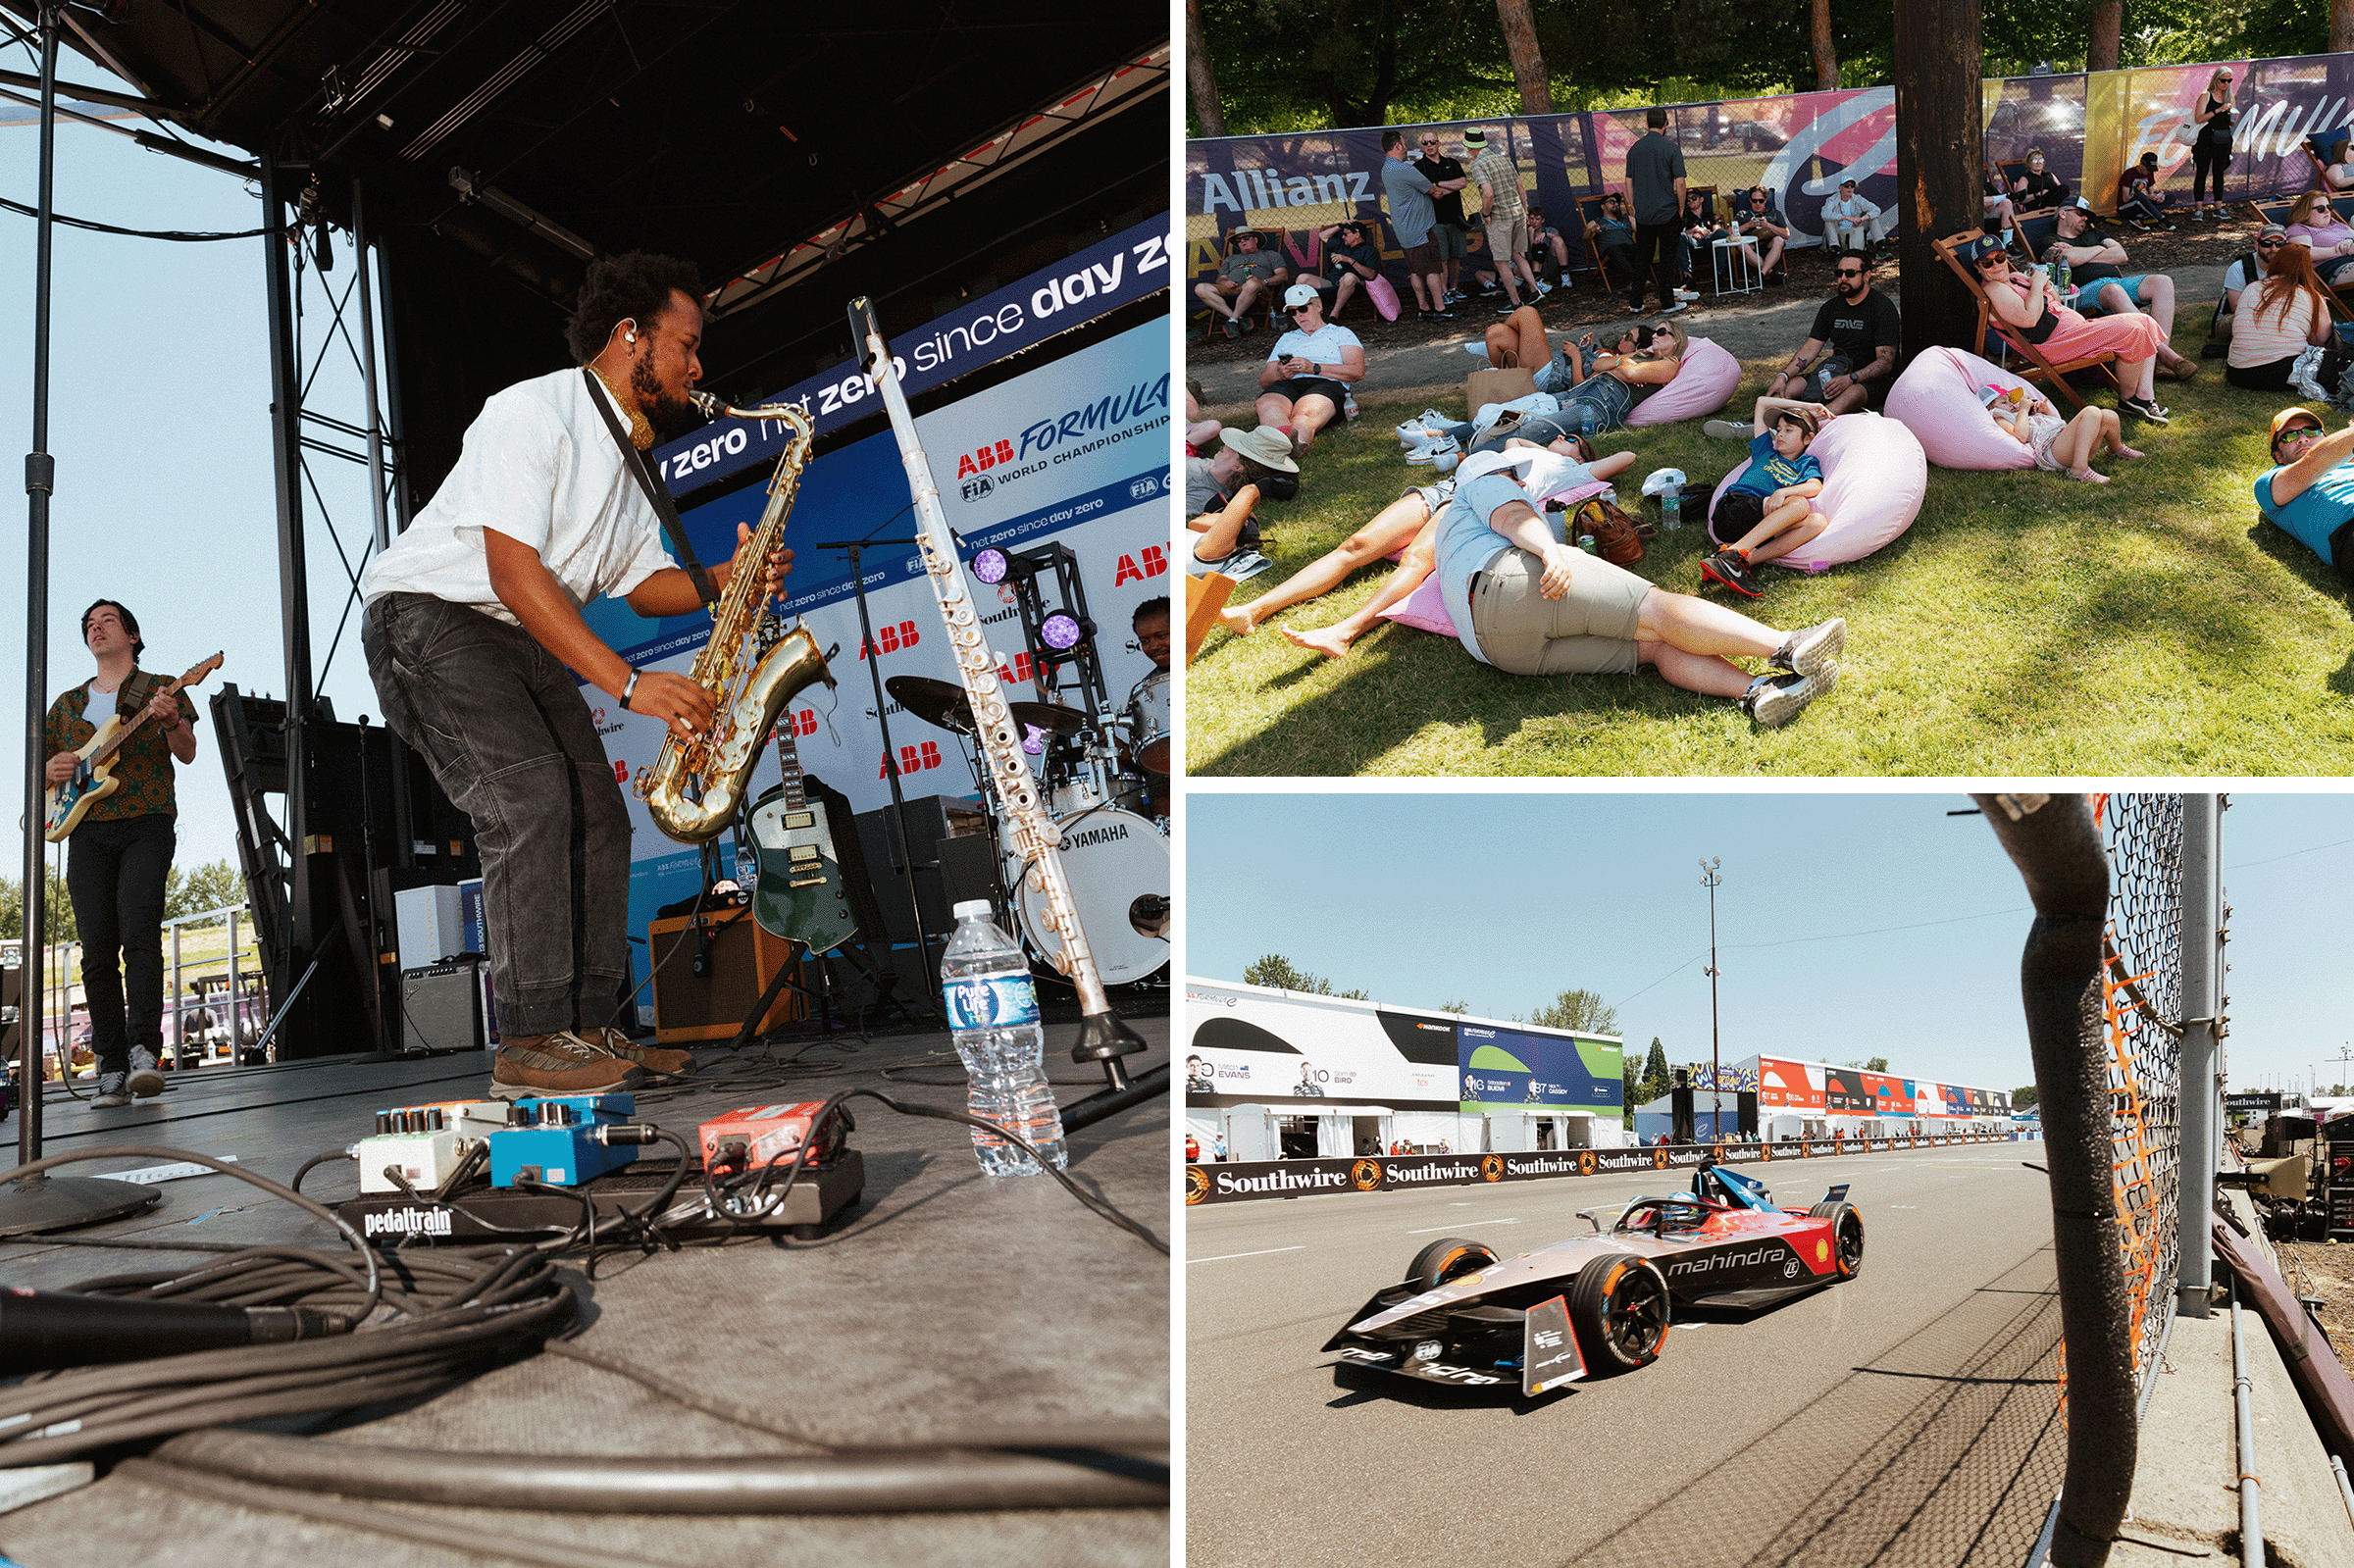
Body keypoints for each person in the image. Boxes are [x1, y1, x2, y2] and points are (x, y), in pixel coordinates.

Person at [361, 250, 788, 1098]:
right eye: (685, 345)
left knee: (600, 814)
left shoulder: (631, 466)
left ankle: (588, 1033)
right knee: (531, 801)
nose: (698, 368)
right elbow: (516, 573)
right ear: (629, 336)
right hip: (430, 616)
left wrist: (719, 581)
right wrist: (630, 686)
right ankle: (528, 1042)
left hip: (514, 631)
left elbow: (640, 583)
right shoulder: (533, 411)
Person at [1429, 444, 1848, 726]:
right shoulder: (1483, 482)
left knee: (1656, 646)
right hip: (1514, 582)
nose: (1520, 484)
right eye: (1514, 477)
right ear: (1493, 473)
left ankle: (1758, 691)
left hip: (1495, 650)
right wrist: (1550, 551)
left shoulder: (1447, 530)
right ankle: (1786, 646)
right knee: (1658, 610)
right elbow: (1511, 518)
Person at [45, 600, 198, 1108]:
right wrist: (53, 770)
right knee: (96, 947)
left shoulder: (160, 687)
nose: (96, 627)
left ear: (132, 635)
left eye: (107, 620)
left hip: (146, 820)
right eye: (89, 623)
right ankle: (109, 1066)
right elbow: (38, 771)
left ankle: (143, 1055)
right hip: (87, 828)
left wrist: (173, 718)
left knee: (138, 931)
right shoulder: (65, 706)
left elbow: (187, 750)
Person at [1971, 234, 2172, 423]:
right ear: (1978, 267)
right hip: (2058, 344)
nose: (1996, 265)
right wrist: (2037, 284)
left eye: (1999, 257)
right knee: (2132, 331)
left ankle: (2144, 395)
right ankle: (2128, 398)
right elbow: (2030, 319)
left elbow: (2056, 301)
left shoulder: (2015, 277)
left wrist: (2047, 287)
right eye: (1987, 263)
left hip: (2075, 332)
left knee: (2144, 321)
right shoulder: (1994, 290)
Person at [2043, 199, 2200, 381]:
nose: (2085, 218)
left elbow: (2121, 255)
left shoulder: (2096, 233)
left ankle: (2155, 362)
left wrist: (2081, 252)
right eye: (2080, 213)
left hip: (2118, 282)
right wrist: (2100, 251)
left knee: (2162, 282)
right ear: (2063, 214)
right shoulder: (2049, 240)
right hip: (2084, 291)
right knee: (2113, 290)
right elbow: (2066, 260)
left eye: (2087, 215)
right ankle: (2167, 356)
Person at [1731, 252, 1899, 421]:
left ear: (1867, 276)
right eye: (1838, 273)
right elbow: (1811, 348)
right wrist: (1783, 376)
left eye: (1850, 273)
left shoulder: (1882, 308)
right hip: (1836, 371)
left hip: (1872, 380)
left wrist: (1851, 378)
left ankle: (1809, 425)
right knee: (1789, 387)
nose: (1843, 278)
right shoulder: (1831, 308)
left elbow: (1885, 363)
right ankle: (1758, 423)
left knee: (1852, 393)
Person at [1698, 399, 1829, 597]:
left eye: (1789, 430)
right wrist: (1808, 407)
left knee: (1817, 522)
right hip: (1733, 508)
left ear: (1808, 438)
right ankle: (1729, 556)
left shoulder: (1806, 463)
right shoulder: (1766, 450)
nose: (1780, 434)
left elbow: (1815, 486)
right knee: (1800, 504)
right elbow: (1761, 402)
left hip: (1759, 524)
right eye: (1779, 429)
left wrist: (1783, 492)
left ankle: (1742, 561)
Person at [1255, 283, 1363, 453]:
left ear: (1318, 306)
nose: (1298, 315)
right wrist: (1280, 374)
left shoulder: (1340, 333)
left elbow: (1357, 371)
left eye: (1303, 308)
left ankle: (1288, 450)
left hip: (1326, 383)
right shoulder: (1287, 338)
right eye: (1292, 312)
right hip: (1289, 383)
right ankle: (1281, 447)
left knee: (1304, 414)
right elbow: (1264, 381)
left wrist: (1314, 368)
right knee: (1267, 404)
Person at [2254, 406, 2354, 580]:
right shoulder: (2269, 482)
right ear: (2279, 456)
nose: (2302, 439)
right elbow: (2315, 462)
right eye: (2289, 436)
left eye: (2311, 431)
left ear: (2326, 437)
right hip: (2347, 532)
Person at [1380, 128, 1467, 321]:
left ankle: (1424, 308)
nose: (1406, 148)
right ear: (1397, 146)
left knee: (1415, 272)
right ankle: (1440, 309)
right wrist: (1449, 187)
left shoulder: (1386, 169)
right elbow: (1434, 191)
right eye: (1404, 144)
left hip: (1404, 231)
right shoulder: (1406, 169)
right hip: (1421, 230)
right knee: (1433, 270)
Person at [1186, 425, 1295, 577]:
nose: (1225, 445)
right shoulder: (1209, 464)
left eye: (1234, 448)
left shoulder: (1203, 495)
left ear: (1238, 466)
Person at [2226, 242, 2334, 391]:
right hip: (2281, 372)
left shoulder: (2251, 288)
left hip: (2237, 372)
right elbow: (2324, 341)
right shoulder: (2310, 296)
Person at [1985, 385, 2144, 483]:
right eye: (2004, 402)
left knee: (2108, 415)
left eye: (2010, 401)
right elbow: (2020, 436)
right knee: (2091, 412)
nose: (2011, 404)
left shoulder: (2020, 414)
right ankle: (2079, 469)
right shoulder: (1999, 416)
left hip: (2064, 444)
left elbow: (2056, 426)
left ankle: (2115, 449)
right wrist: (2023, 410)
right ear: (1991, 407)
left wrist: (2045, 412)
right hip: (2052, 453)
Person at [1465, 126, 1546, 312]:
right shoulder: (1503, 159)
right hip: (1517, 213)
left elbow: (1488, 193)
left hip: (1500, 218)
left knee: (1501, 262)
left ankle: (1516, 302)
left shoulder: (1478, 165)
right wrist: (1524, 212)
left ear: (1470, 147)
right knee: (1519, 255)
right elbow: (1521, 187)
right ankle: (1535, 290)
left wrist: (1486, 214)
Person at [1625, 107, 1688, 316]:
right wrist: (1680, 208)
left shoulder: (1635, 149)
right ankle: (1667, 303)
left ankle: (1635, 302)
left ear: (1647, 123)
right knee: (1668, 259)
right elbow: (1680, 183)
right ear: (1665, 124)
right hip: (1667, 212)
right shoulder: (1671, 148)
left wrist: (1634, 206)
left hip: (1644, 213)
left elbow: (1628, 181)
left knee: (1643, 257)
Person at [1411, 130, 1472, 305]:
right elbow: (1426, 191)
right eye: (1425, 143)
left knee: (1456, 256)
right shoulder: (1419, 168)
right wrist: (1446, 188)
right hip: (1434, 220)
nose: (1429, 146)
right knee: (1442, 258)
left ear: (1439, 144)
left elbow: (1462, 183)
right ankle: (1443, 292)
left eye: (1432, 142)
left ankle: (1453, 289)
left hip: (1456, 218)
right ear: (1422, 146)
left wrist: (1437, 185)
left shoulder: (1451, 163)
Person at [1195, 228, 1287, 338]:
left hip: (1258, 290)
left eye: (1246, 238)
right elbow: (1220, 279)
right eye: (1238, 240)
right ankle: (1236, 319)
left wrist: (1263, 281)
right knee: (1200, 288)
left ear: (1256, 240)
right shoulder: (1231, 259)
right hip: (1233, 289)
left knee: (1251, 283)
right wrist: (1225, 282)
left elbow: (1283, 275)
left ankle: (1233, 320)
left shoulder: (1270, 255)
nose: (1242, 241)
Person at [2214, 224, 2287, 344]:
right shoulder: (2238, 268)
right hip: (2236, 318)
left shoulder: (2288, 266)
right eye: (2267, 244)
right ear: (2256, 246)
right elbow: (2237, 309)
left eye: (2279, 244)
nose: (2274, 249)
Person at [2190, 69, 2236, 219]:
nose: (2226, 84)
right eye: (2223, 80)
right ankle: (2198, 208)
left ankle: (2218, 206)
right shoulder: (2206, 96)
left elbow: (2232, 123)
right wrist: (2218, 110)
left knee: (2219, 173)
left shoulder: (2230, 96)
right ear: (2216, 80)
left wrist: (2232, 116)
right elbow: (2199, 119)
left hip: (2222, 139)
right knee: (2202, 172)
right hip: (2205, 139)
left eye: (2230, 81)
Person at [2282, 189, 2354, 285]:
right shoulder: (2299, 228)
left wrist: (2349, 240)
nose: (2327, 211)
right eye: (2321, 208)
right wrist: (2342, 250)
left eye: (2329, 207)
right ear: (2305, 211)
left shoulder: (2336, 224)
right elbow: (2305, 253)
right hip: (2334, 267)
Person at [1317, 218, 1383, 320]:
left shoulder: (1369, 250)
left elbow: (1371, 275)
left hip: (1354, 285)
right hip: (1332, 283)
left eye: (1346, 234)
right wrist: (1340, 225)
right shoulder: (1340, 244)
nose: (1343, 237)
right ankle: (1310, 315)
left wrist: (1349, 260)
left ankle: (1334, 315)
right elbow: (1322, 235)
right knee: (1302, 278)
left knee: (1349, 277)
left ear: (1357, 235)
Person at [1676, 189, 1726, 297]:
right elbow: (1680, 235)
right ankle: (1688, 277)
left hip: (1709, 242)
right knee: (1680, 237)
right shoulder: (1685, 218)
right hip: (1693, 243)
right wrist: (1695, 230)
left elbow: (1717, 231)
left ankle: (1719, 275)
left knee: (1722, 233)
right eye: (1688, 199)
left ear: (1701, 199)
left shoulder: (1711, 216)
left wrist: (1704, 234)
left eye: (1694, 198)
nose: (1691, 201)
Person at [1734, 186, 1790, 281]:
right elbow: (1730, 233)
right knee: (1741, 245)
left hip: (1769, 243)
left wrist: (1768, 225)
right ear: (1750, 200)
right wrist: (1748, 225)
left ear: (1766, 200)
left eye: (1761, 200)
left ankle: (1760, 276)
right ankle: (1770, 272)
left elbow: (1786, 235)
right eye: (1754, 200)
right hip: (1751, 245)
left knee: (1779, 240)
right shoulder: (1742, 215)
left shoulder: (1774, 213)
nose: (1757, 204)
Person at [1585, 189, 1639, 289]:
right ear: (1602, 206)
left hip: (1629, 249)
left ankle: (1636, 282)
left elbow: (1642, 231)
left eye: (1617, 202)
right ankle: (1638, 281)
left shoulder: (1627, 219)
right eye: (1612, 202)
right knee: (1614, 249)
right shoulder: (1596, 222)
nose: (1616, 204)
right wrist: (1592, 231)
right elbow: (1585, 237)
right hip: (1610, 254)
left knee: (1641, 248)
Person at [1820, 177, 1883, 260]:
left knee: (1872, 218)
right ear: (1840, 188)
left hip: (1855, 228)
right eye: (1846, 186)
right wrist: (1846, 218)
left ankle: (1881, 248)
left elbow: (1876, 209)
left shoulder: (1857, 198)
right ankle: (1837, 251)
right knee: (1829, 222)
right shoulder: (1832, 200)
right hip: (1840, 232)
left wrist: (1861, 219)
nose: (1850, 188)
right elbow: (1824, 214)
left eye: (1852, 186)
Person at [2116, 152, 2175, 228]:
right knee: (2140, 196)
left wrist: (2157, 198)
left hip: (2143, 205)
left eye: (2151, 169)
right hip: (2126, 208)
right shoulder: (2129, 174)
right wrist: (2147, 197)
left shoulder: (2149, 174)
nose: (2149, 172)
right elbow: (2125, 199)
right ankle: (2162, 219)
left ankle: (2140, 216)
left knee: (2171, 197)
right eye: (2148, 169)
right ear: (2141, 164)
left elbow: (2151, 193)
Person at [2009, 149, 2069, 217]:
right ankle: (2050, 209)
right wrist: (2037, 194)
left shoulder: (2050, 175)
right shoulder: (2025, 178)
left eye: (2041, 160)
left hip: (2053, 200)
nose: (2038, 162)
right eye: (2035, 160)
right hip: (2037, 204)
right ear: (2029, 163)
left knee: (2065, 188)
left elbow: (2060, 189)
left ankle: (2052, 208)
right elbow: (2021, 199)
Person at [1525, 205, 1571, 283]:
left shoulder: (1550, 230)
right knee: (1537, 247)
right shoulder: (1525, 233)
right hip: (1536, 268)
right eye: (1532, 219)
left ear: (1542, 220)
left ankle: (1565, 273)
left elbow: (1560, 241)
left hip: (1552, 264)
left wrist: (1546, 234)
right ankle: (1537, 280)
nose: (1534, 222)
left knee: (1556, 240)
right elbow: (1531, 253)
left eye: (1537, 219)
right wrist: (1531, 236)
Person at [1982, 164, 2021, 236]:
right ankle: (2007, 196)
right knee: (1979, 201)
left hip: (1989, 211)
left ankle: (2008, 243)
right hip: (1973, 214)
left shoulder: (1987, 186)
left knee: (2007, 202)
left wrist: (1991, 205)